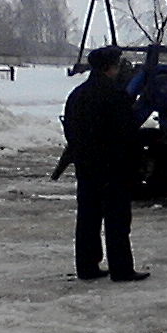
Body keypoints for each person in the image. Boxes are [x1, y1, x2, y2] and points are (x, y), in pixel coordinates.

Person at [63, 46, 148, 282]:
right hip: (113, 169)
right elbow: (127, 134)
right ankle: (121, 269)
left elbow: (70, 130)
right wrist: (134, 164)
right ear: (112, 67)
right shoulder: (115, 95)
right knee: (117, 222)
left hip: (87, 168)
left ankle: (87, 267)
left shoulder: (78, 94)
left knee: (88, 219)